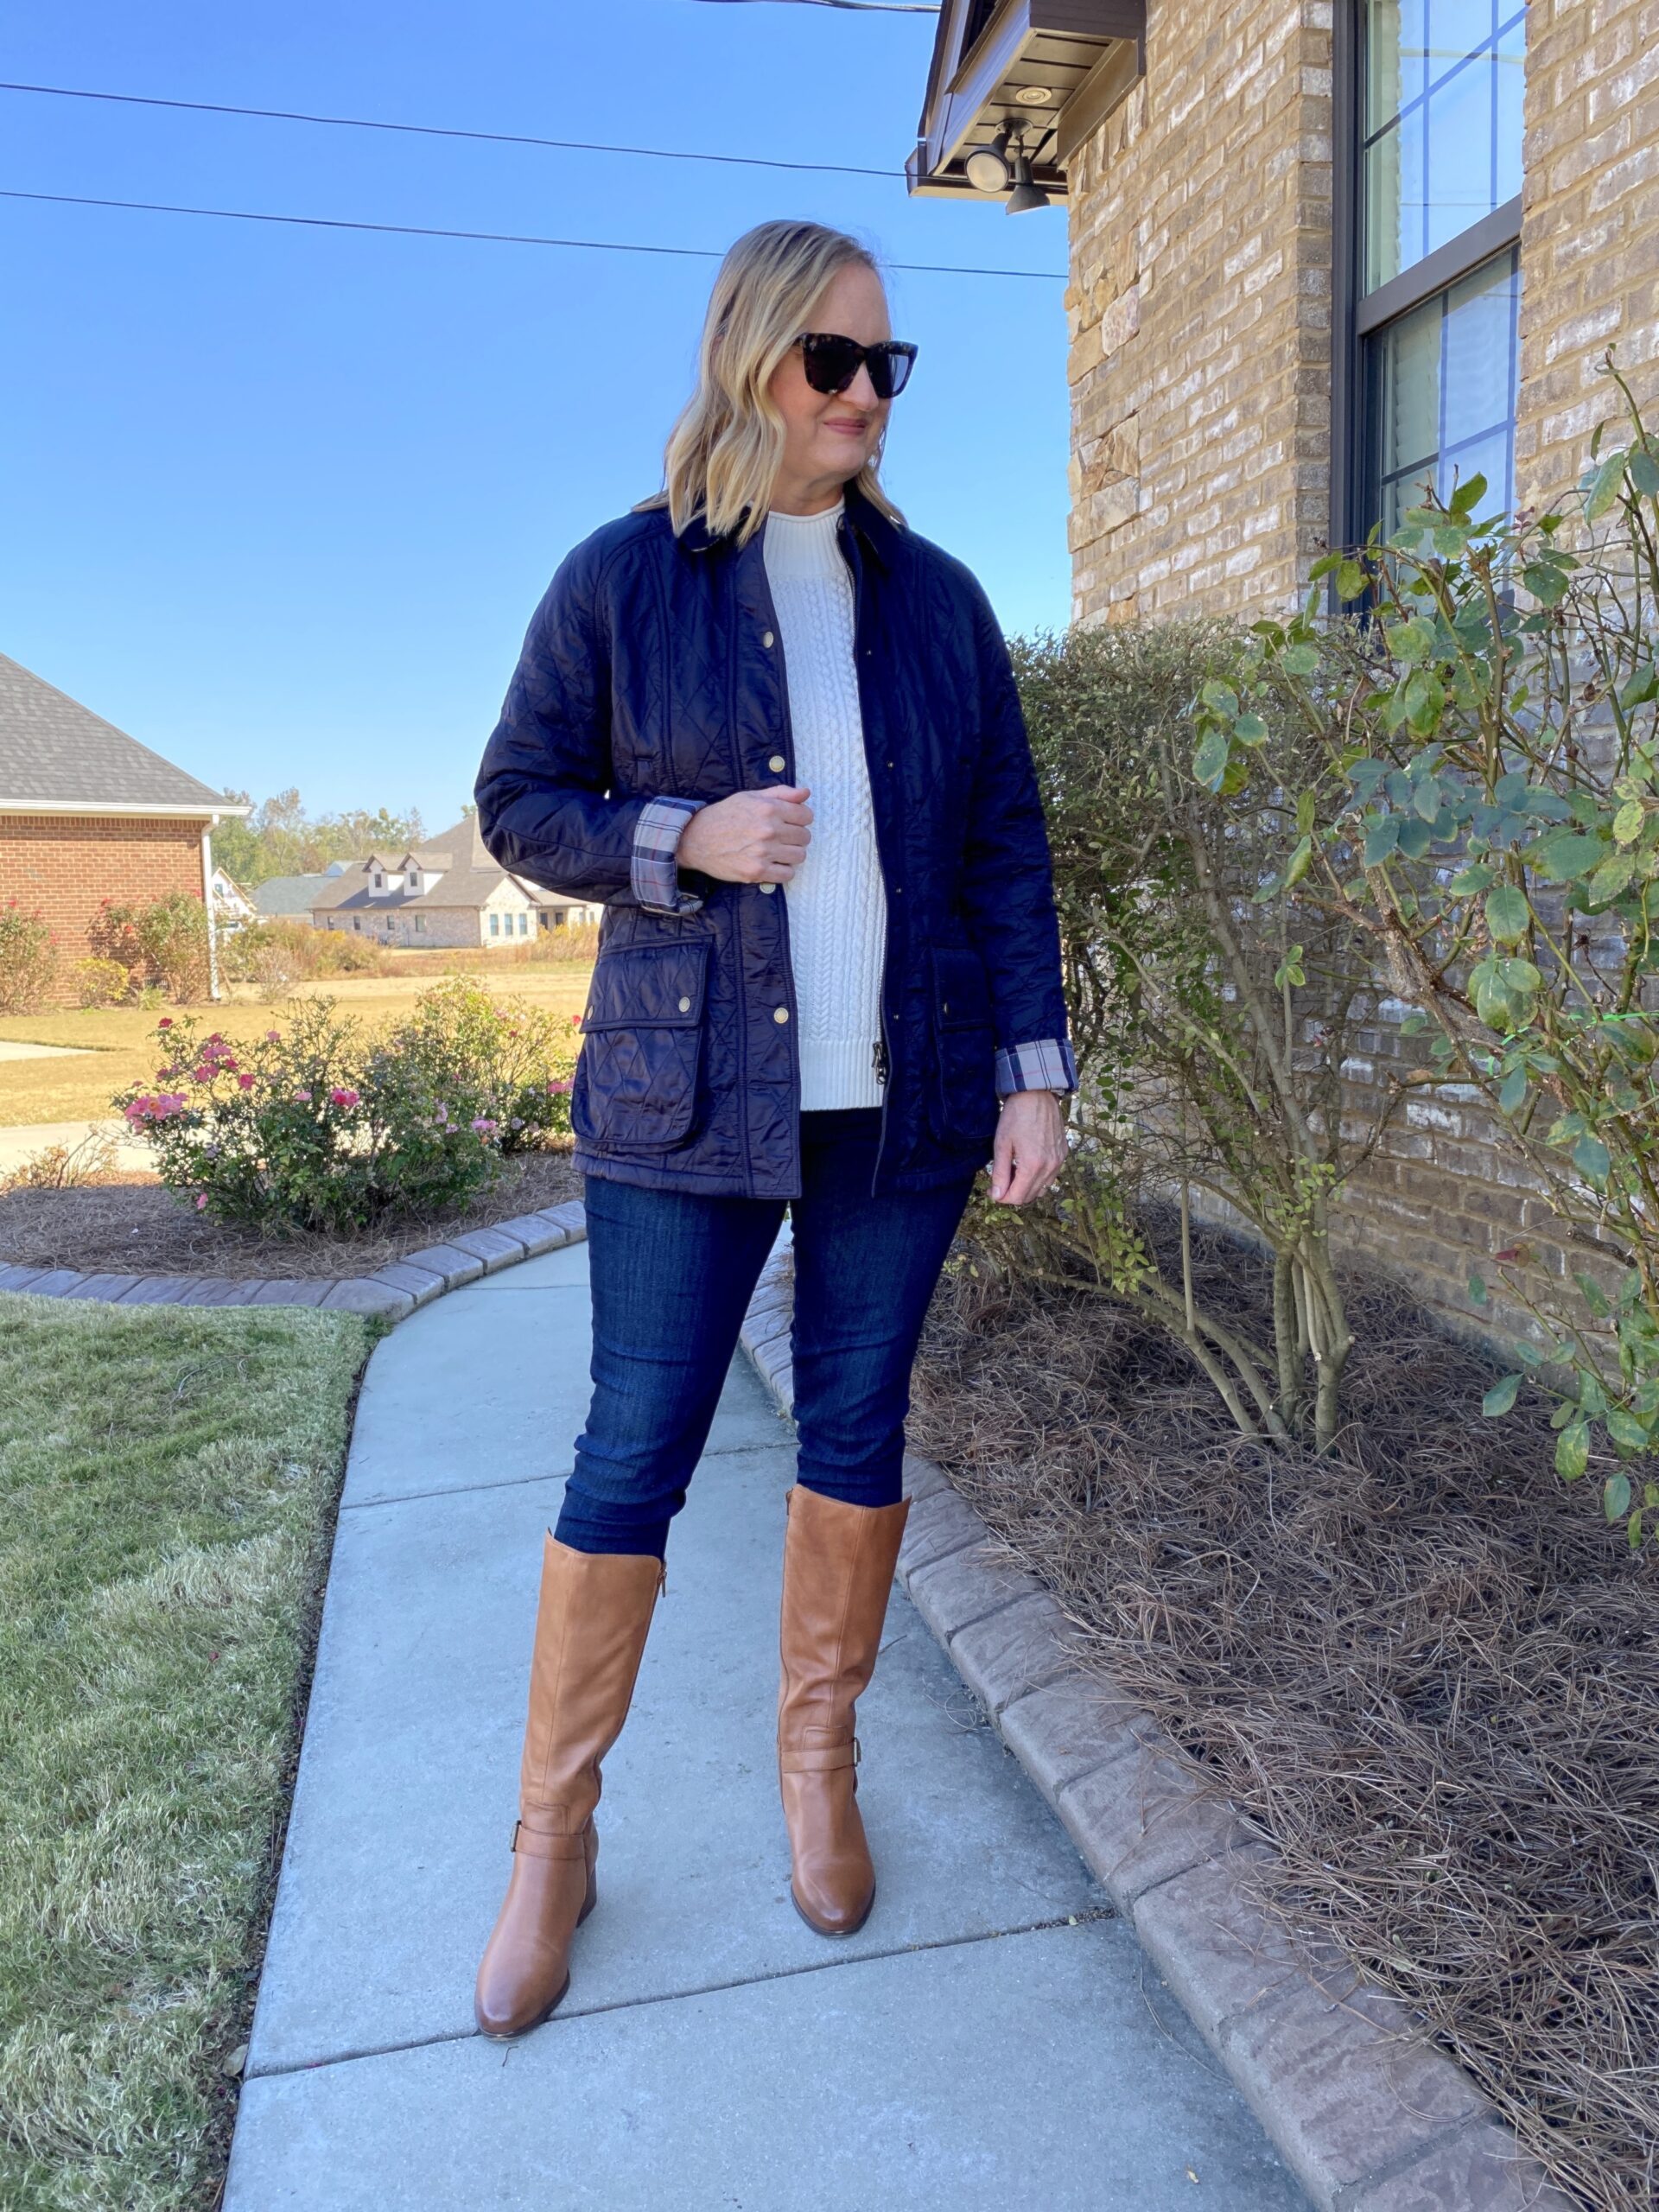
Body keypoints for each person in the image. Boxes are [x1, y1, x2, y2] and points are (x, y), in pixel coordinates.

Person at [470, 218, 1074, 2040]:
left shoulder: (940, 602)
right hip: (682, 1101)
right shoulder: (622, 579)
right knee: (632, 1450)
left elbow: (1005, 848)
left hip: (906, 1098)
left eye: (890, 365)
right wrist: (684, 838)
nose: (867, 394)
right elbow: (518, 800)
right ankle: (552, 1840)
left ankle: (821, 1767)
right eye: (836, 360)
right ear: (751, 359)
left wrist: (1034, 1070)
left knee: (858, 1431)